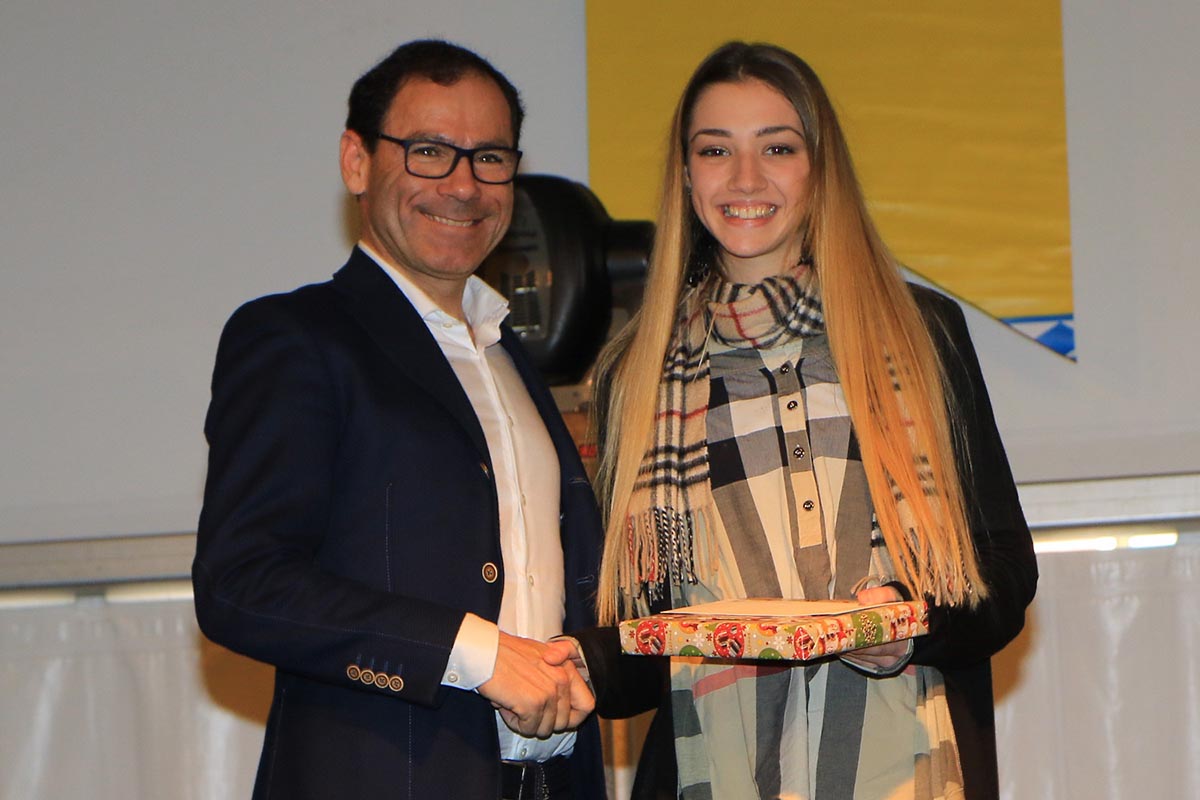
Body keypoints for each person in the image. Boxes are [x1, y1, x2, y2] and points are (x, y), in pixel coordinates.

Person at [559, 41, 1038, 800]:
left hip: (909, 768)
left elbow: (1003, 574)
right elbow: (643, 644)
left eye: (777, 148)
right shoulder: (635, 374)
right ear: (686, 175)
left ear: (820, 168)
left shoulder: (920, 334)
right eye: (716, 150)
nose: (745, 179)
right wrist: (570, 667)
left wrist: (906, 625)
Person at [192, 39, 604, 800]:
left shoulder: (513, 358)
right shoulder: (296, 337)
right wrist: (476, 652)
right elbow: (242, 583)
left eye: (490, 158)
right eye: (429, 152)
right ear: (357, 162)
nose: (464, 185)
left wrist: (584, 660)